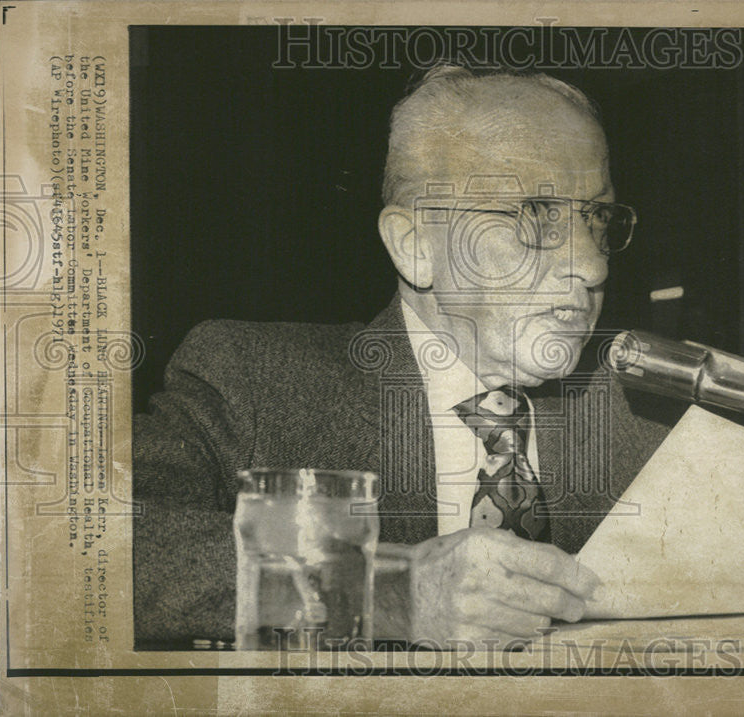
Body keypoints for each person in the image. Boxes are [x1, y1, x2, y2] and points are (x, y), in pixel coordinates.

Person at [133, 65, 673, 648]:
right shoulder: (250, 382)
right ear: (415, 246)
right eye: (535, 215)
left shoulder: (648, 419)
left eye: (595, 219)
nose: (591, 266)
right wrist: (385, 595)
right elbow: (91, 547)